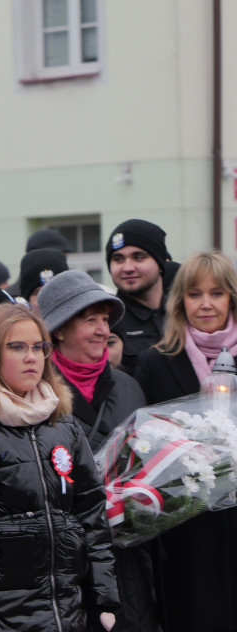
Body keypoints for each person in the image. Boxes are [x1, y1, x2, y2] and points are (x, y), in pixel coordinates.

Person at [0, 303, 119, 632]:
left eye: (39, 347)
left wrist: (104, 595)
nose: (32, 357)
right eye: (16, 347)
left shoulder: (63, 426)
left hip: (67, 612)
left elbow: (92, 515)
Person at [37, 270, 157, 632]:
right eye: (90, 320)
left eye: (105, 320)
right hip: (61, 560)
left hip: (126, 558)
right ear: (58, 329)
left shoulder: (129, 386)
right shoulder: (36, 390)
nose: (103, 330)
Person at [133, 251, 237, 631]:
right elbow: (141, 444)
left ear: (232, 299)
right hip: (185, 529)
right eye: (194, 294)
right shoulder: (155, 362)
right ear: (180, 301)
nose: (206, 303)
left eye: (217, 293)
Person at [105, 219, 172, 374]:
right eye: (118, 259)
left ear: (160, 263)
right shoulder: (107, 320)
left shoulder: (183, 313)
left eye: (138, 257)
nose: (127, 268)